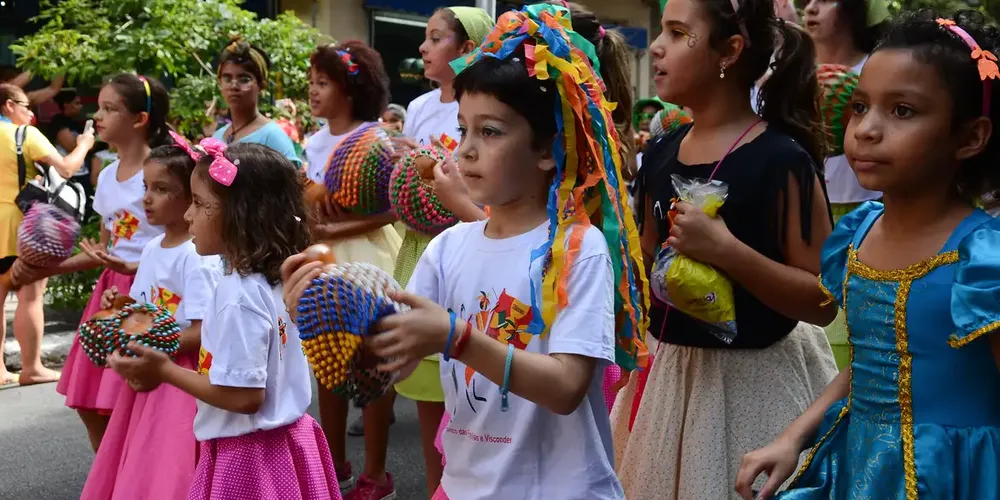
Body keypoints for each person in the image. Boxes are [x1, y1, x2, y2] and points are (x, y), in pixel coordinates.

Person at [287, 4, 648, 498]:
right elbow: (388, 362)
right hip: (463, 486)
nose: (466, 150)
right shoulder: (447, 247)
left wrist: (459, 339)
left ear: (548, 150)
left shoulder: (577, 249)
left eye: (491, 132)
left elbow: (566, 388)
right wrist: (318, 311)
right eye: (463, 129)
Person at [737, 11, 1000, 499]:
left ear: (970, 137)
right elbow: (873, 365)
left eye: (902, 110)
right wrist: (794, 436)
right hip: (858, 468)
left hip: (955, 478)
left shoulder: (985, 258)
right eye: (860, 107)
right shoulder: (857, 233)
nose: (867, 130)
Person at [609, 0, 839, 498]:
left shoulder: (781, 160)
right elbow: (647, 265)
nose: (656, 46)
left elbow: (822, 302)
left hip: (756, 386)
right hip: (669, 379)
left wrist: (727, 252)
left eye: (676, 32)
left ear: (730, 50)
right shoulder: (662, 150)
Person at [108, 141, 337, 499]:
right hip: (288, 440)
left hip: (249, 456)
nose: (188, 216)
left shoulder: (238, 296)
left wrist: (164, 371)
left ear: (240, 214)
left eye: (200, 205)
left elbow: (244, 397)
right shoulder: (272, 278)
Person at [81, 136, 221, 500]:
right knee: (145, 454)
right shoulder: (151, 248)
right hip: (154, 370)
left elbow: (204, 331)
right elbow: (149, 306)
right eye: (146, 187)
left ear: (191, 198)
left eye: (161, 189)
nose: (146, 198)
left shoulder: (197, 256)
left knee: (173, 464)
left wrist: (153, 345)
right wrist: (122, 303)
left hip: (182, 376)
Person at [303, 40, 402, 499]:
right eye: (312, 83)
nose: (313, 91)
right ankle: (335, 464)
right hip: (323, 260)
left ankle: (376, 473)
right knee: (327, 360)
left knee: (373, 364)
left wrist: (334, 229)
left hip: (369, 260)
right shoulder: (312, 142)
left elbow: (393, 210)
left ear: (350, 89)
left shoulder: (374, 139)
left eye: (323, 83)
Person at [50, 74, 170, 452]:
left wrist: (137, 269)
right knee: (87, 399)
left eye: (109, 108)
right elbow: (103, 250)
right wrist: (45, 267)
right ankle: (112, 475)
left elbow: (186, 238)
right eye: (98, 107)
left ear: (140, 119)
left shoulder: (163, 171)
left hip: (149, 294)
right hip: (108, 294)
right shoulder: (105, 175)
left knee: (129, 400)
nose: (96, 116)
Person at [803, 0, 890, 371]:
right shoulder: (789, 71)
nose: (811, 8)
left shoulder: (880, 68)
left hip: (869, 215)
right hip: (804, 215)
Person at [0, 83, 94, 387]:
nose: (30, 112)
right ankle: (31, 367)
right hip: (21, 225)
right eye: (25, 105)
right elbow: (66, 169)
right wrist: (84, 145)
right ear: (8, 105)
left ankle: (0, 372)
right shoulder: (24, 134)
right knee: (30, 297)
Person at [212, 37, 301, 166]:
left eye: (244, 79)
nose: (234, 86)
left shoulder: (272, 136)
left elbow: (292, 183)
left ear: (261, 86)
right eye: (227, 78)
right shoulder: (218, 136)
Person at [48, 89, 97, 218]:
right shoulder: (59, 121)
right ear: (66, 105)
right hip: (68, 174)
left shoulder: (74, 123)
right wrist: (85, 143)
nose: (80, 107)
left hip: (82, 173)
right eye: (76, 103)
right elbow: (69, 145)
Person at [0, 66, 66, 106]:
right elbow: (10, 87)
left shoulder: (24, 99)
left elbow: (53, 89)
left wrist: (59, 63)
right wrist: (39, 63)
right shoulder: (5, 92)